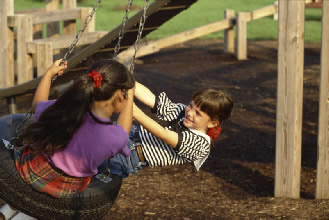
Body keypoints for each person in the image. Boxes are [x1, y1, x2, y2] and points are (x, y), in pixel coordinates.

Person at [13, 59, 135, 199]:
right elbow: (124, 131)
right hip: (66, 189)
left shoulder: (67, 109)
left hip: (32, 170)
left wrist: (48, 75)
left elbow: (37, 105)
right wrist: (131, 96)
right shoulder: (114, 137)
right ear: (121, 95)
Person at [108, 81, 233, 178]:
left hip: (130, 156)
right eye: (191, 105)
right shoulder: (182, 112)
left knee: (95, 160)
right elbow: (153, 100)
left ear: (212, 123)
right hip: (132, 133)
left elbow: (165, 135)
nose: (190, 112)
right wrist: (129, 83)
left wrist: (135, 113)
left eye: (198, 113)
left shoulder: (200, 145)